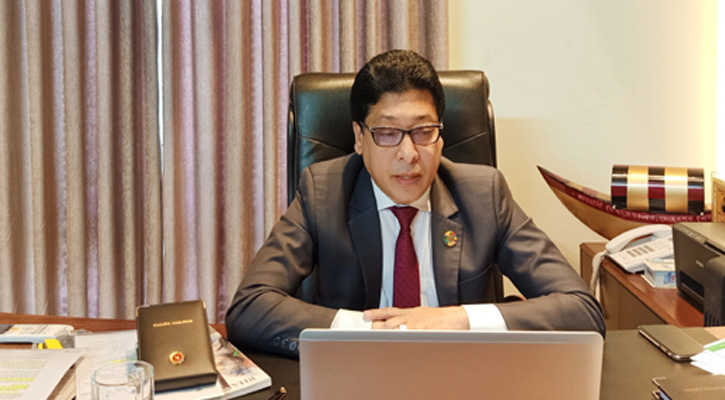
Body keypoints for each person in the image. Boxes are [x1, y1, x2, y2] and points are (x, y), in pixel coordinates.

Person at [225, 49, 605, 357]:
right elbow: (249, 308)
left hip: (464, 375)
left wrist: (458, 320)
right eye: (387, 133)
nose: (409, 154)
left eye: (424, 132)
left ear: (441, 136)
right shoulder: (323, 193)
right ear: (359, 138)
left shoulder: (484, 194)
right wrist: (369, 331)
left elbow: (582, 310)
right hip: (359, 374)